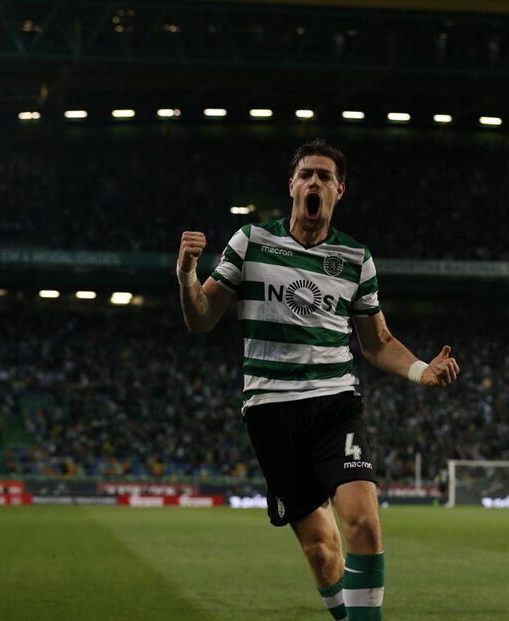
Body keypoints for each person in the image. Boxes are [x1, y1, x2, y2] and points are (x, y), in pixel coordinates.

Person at [177, 138, 459, 620]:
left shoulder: (355, 259)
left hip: (335, 404)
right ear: (291, 186)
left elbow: (376, 342)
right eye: (306, 174)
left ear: (339, 190)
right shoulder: (250, 242)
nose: (314, 182)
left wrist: (419, 370)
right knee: (321, 552)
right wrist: (185, 275)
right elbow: (201, 319)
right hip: (270, 410)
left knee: (365, 525)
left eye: (324, 177)